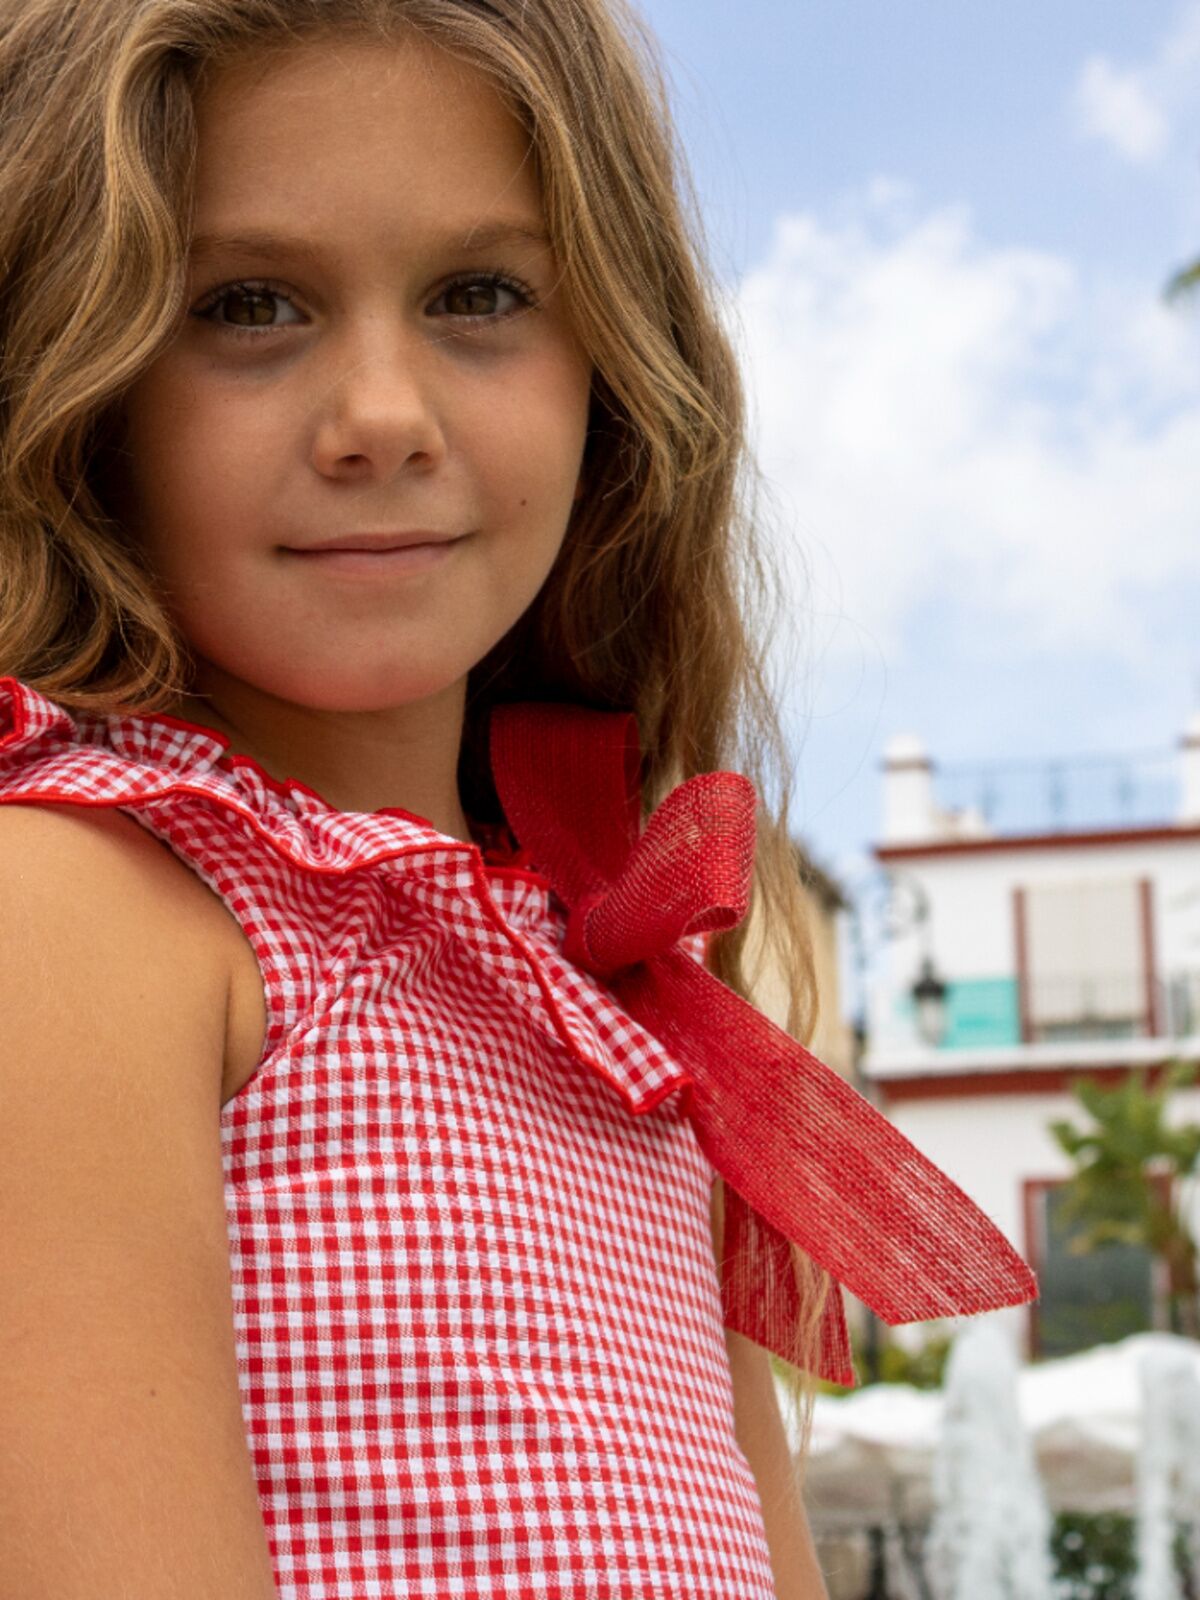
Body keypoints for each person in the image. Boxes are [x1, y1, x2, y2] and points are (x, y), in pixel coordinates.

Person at [0, 3, 1035, 1597]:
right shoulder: (77, 908)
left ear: (614, 368)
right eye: (249, 305)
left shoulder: (618, 989)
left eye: (479, 295)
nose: (383, 419)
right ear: (83, 356)